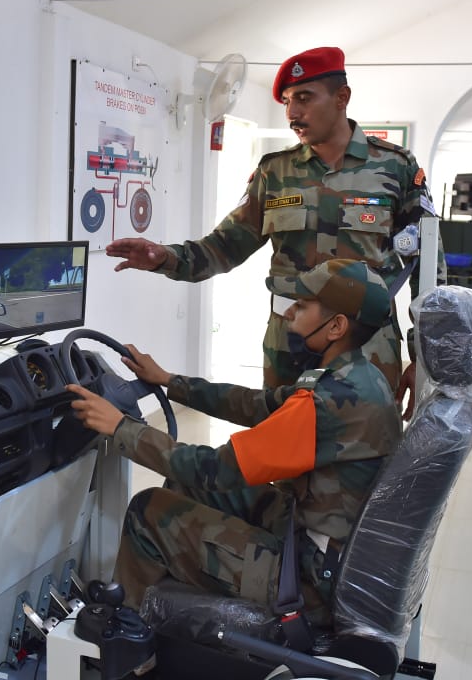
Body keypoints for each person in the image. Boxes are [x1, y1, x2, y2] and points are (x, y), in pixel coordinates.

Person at [105, 46, 443, 416]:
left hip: (368, 344)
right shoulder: (275, 172)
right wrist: (165, 257)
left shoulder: (395, 167)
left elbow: (428, 269)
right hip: (291, 344)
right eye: (286, 101)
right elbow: (224, 247)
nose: (292, 113)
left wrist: (424, 357)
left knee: (368, 456)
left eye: (303, 98)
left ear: (341, 98)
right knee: (284, 447)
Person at [64, 259, 402, 621]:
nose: (288, 313)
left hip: (309, 581)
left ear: (336, 326)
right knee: (180, 486)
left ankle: (127, 645)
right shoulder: (360, 377)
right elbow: (257, 405)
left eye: (302, 306)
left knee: (147, 512)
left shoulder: (325, 402)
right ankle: (169, 616)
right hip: (324, 542)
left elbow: (213, 470)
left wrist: (121, 427)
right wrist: (169, 380)